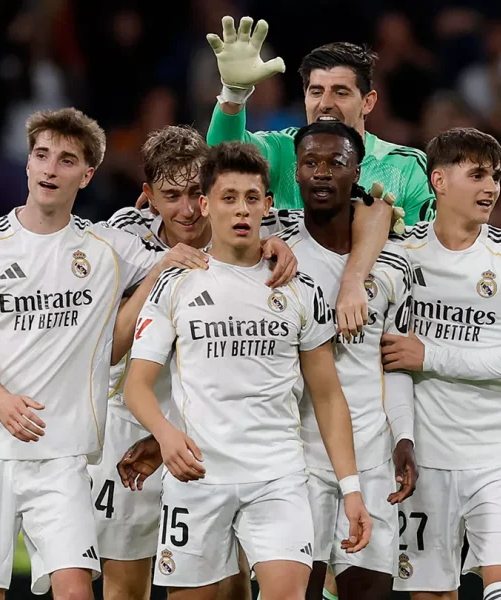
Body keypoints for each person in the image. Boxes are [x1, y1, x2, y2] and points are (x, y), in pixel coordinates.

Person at [0, 108, 198, 600]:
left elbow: (195, 260)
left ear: (86, 175)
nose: (50, 169)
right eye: (42, 155)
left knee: (75, 591)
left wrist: (275, 249)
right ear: (27, 164)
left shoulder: (109, 246)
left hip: (63, 456)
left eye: (66, 160)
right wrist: (1, 400)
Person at [124, 142, 372, 600]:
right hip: (197, 476)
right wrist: (165, 434)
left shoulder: (299, 287)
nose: (241, 209)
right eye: (229, 197)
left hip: (278, 477)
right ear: (206, 205)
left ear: (267, 205)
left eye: (252, 198)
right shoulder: (175, 284)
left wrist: (351, 488)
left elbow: (328, 396)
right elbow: (135, 385)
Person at [88, 126, 297, 600]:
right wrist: (161, 268)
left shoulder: (251, 227)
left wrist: (278, 245)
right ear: (148, 197)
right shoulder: (122, 236)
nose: (186, 210)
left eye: (194, 193)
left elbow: (340, 221)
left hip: (214, 431)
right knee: (126, 587)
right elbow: (110, 349)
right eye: (170, 196)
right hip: (131, 423)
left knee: (230, 583)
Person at [379, 128, 501, 600]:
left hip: (499, 458)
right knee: (431, 594)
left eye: (495, 176)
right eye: (476, 175)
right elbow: (393, 361)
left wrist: (431, 355)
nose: (491, 187)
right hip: (425, 462)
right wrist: (403, 437)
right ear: (438, 181)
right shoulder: (399, 253)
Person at [278, 120, 418, 600]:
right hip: (297, 459)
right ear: (295, 173)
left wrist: (403, 436)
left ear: (357, 172)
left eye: (335, 163)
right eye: (310, 163)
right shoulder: (277, 256)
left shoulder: (394, 264)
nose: (321, 172)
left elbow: (393, 362)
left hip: (373, 457)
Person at [204, 16, 435, 225]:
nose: (325, 103)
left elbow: (424, 247)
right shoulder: (283, 149)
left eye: (340, 92)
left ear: (368, 102)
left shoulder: (406, 167)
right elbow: (224, 155)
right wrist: (234, 93)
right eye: (316, 91)